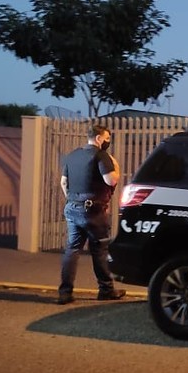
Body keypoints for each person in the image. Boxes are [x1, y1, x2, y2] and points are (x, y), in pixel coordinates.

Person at [57, 124, 126, 305]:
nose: (108, 142)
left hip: (72, 207)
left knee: (72, 250)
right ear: (98, 138)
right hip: (93, 212)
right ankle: (106, 290)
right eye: (107, 138)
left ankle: (65, 292)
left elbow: (64, 183)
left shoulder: (72, 156)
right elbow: (110, 180)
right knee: (100, 250)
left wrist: (73, 201)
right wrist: (116, 167)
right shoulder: (101, 155)